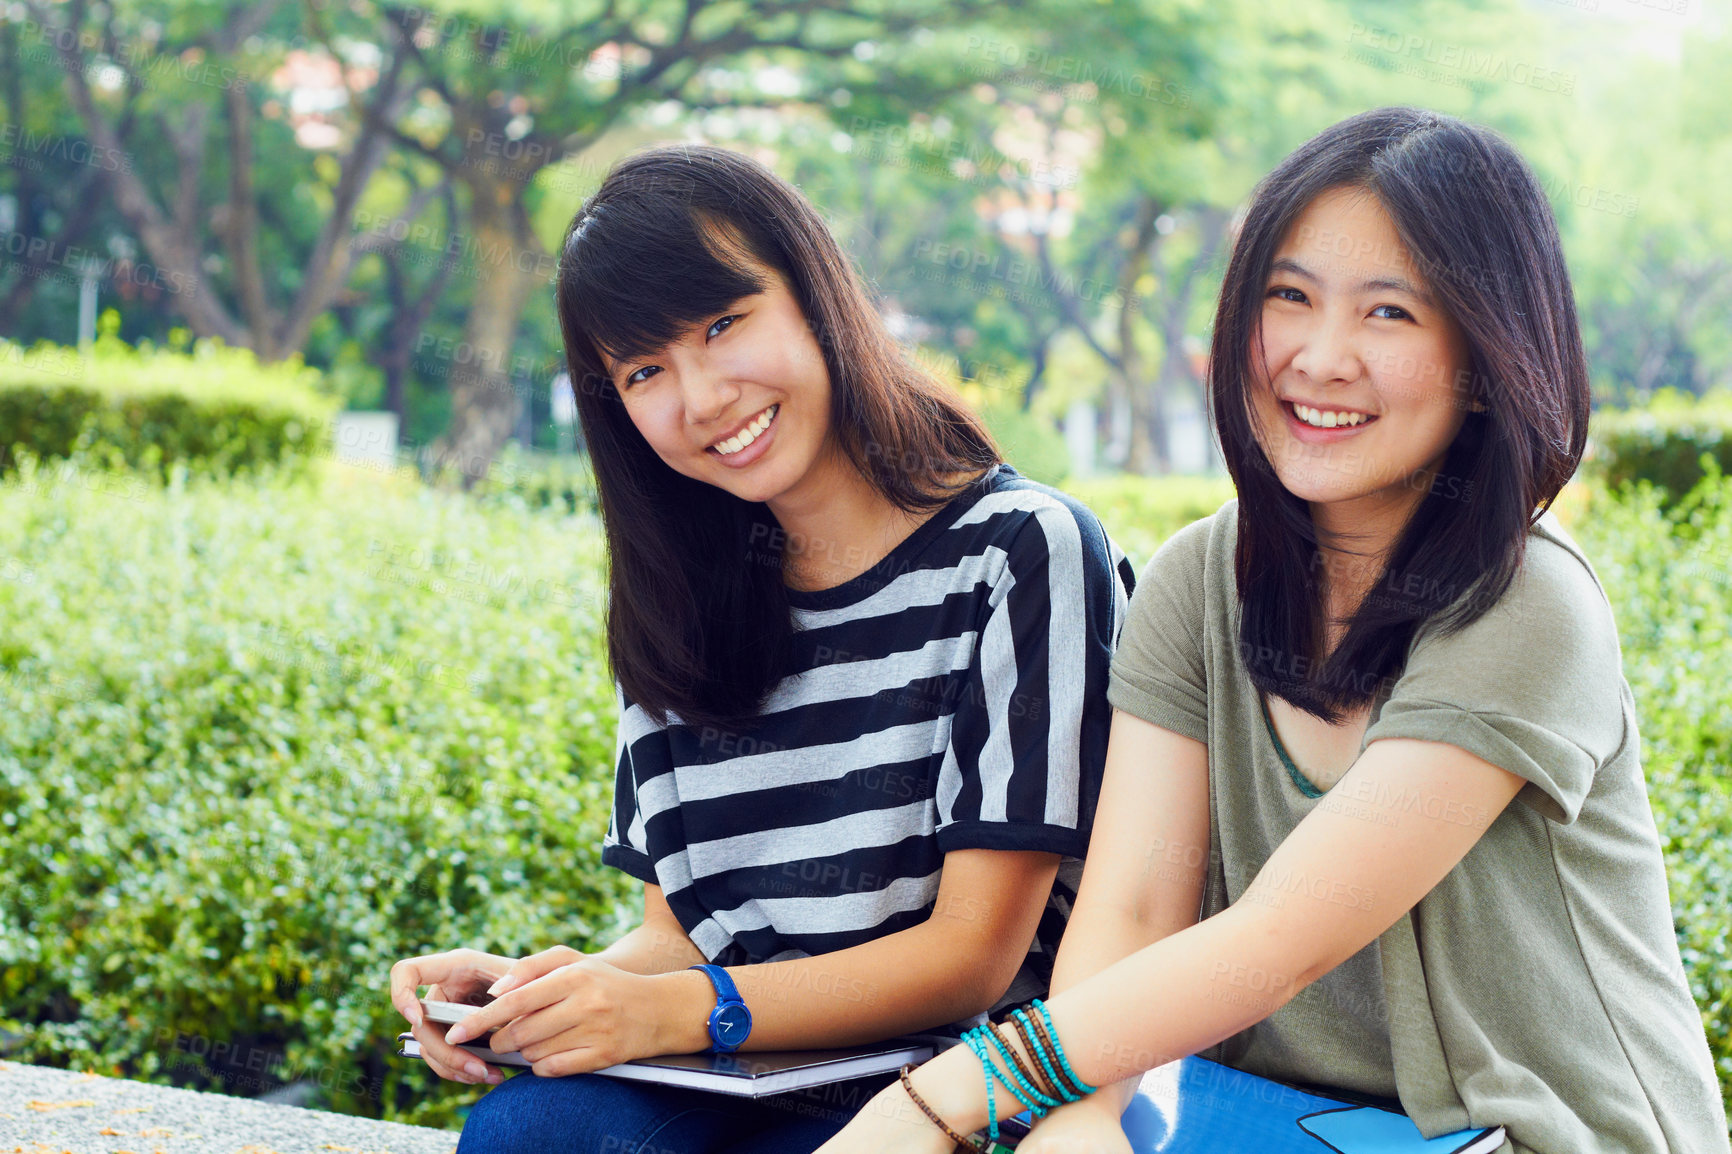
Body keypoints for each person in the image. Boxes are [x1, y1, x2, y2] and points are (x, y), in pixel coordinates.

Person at [814, 107, 1731, 1154]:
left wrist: (937, 1098)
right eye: (1287, 296)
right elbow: (1137, 903)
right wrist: (1084, 1113)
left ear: (1483, 358)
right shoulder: (1198, 578)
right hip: (1257, 1124)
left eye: (1388, 313)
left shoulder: (1527, 603)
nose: (1320, 356)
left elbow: (1274, 944)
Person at [388, 142, 1136, 1154]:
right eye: (646, 370)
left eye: (723, 325)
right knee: (534, 1129)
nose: (701, 399)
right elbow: (678, 933)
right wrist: (545, 993)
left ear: (814, 294)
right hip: (744, 1069)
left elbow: (971, 956)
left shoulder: (1018, 551)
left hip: (957, 1087)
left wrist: (682, 1008)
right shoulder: (676, 603)